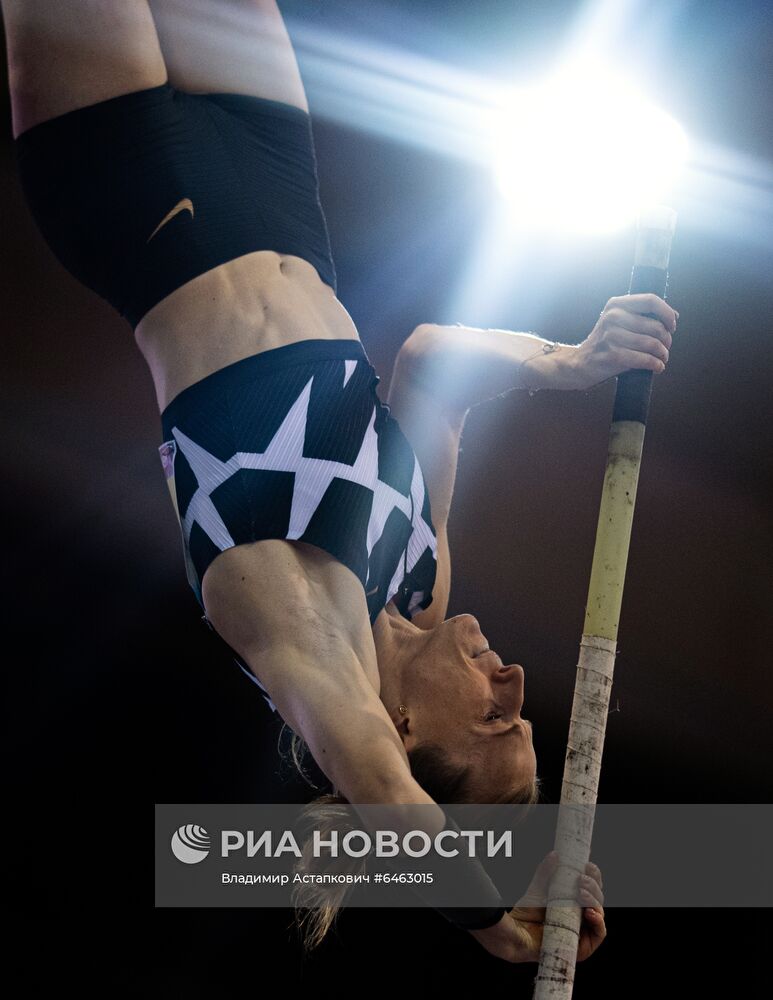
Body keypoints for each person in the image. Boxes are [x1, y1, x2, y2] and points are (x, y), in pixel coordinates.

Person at [3, 0, 676, 962]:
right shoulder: (419, 576)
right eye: (520, 705)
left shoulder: (294, 629)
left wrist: (492, 924)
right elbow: (434, 367)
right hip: (275, 181)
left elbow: (386, 801)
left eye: (496, 719)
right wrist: (568, 359)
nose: (512, 679)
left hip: (130, 187)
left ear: (400, 732)